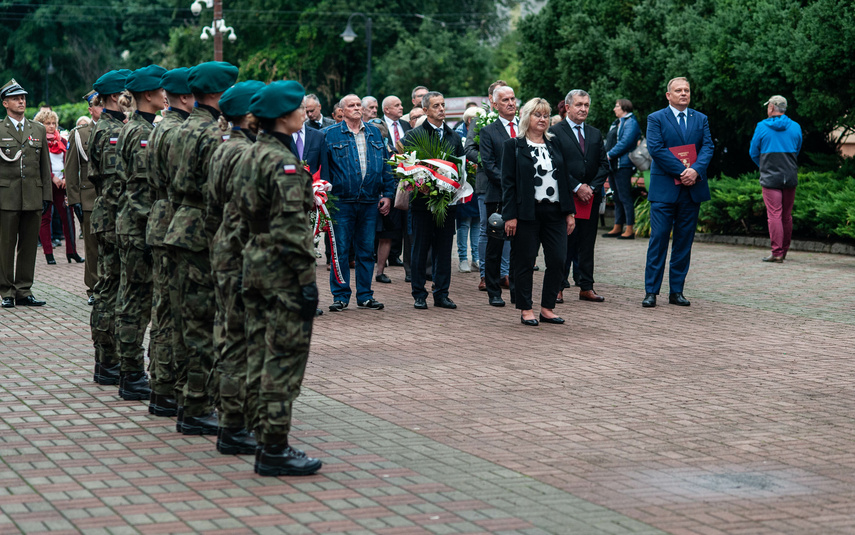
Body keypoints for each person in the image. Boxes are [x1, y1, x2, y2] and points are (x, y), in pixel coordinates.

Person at [237, 80, 323, 476]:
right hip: (281, 271)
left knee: (258, 351)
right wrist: (307, 281)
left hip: (255, 263)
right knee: (282, 359)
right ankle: (274, 447)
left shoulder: (254, 152)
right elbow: (291, 229)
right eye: (298, 108)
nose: (304, 112)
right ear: (284, 116)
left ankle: (259, 435)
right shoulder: (283, 162)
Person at [165, 61, 239, 435]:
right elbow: (215, 192)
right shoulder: (210, 134)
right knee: (201, 321)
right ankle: (196, 406)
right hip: (200, 231)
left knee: (185, 319)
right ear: (217, 94)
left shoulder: (182, 126)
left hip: (182, 225)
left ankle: (186, 398)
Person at [207, 80, 265, 454]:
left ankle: (230, 417)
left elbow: (214, 204)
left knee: (227, 333)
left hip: (225, 244)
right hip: (242, 251)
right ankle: (234, 423)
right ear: (248, 115)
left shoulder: (225, 148)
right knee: (240, 341)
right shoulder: (245, 153)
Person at [112, 64, 166, 401]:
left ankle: (128, 371)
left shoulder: (136, 127)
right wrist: (151, 234)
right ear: (148, 95)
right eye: (161, 90)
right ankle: (131, 373)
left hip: (133, 225)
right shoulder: (142, 133)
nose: (166, 95)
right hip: (138, 228)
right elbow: (141, 192)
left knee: (132, 299)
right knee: (136, 302)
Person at [501, 98, 576, 326]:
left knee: (558, 260)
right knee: (525, 261)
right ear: (527, 117)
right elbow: (508, 184)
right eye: (537, 115)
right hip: (526, 213)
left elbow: (563, 180)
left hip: (555, 212)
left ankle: (547, 307)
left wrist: (569, 212)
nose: (542, 119)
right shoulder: (514, 146)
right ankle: (526, 308)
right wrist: (510, 215)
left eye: (545, 115)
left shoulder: (555, 144)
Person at [146, 67, 194, 418]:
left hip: (162, 218)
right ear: (185, 97)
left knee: (164, 308)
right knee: (172, 311)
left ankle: (160, 386)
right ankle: (167, 386)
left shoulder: (162, 127)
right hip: (176, 220)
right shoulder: (178, 130)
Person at [642, 77, 714, 308]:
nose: (683, 93)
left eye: (687, 90)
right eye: (678, 90)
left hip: (691, 190)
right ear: (668, 95)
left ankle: (677, 291)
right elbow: (656, 148)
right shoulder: (656, 118)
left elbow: (708, 147)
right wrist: (683, 171)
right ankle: (651, 291)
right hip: (665, 190)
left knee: (684, 242)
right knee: (659, 239)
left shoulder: (700, 118)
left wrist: (695, 171)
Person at [321, 94, 394, 311]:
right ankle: (341, 296)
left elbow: (385, 166)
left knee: (365, 251)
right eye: (351, 105)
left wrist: (388, 193)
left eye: (358, 105)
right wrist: (325, 198)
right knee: (340, 250)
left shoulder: (374, 133)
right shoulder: (329, 135)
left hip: (370, 201)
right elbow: (324, 170)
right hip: (342, 201)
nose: (356, 108)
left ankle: (365, 296)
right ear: (341, 111)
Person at [88, 69, 131, 384]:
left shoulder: (109, 127)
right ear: (116, 96)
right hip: (114, 218)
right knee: (109, 290)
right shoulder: (109, 131)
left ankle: (106, 362)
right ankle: (107, 361)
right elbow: (116, 184)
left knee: (109, 288)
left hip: (109, 216)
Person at [403, 91, 465, 310]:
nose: (441, 109)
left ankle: (441, 293)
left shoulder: (454, 137)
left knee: (444, 249)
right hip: (422, 203)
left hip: (447, 204)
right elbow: (406, 167)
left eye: (443, 105)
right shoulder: (413, 135)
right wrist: (423, 186)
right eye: (436, 105)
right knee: (420, 248)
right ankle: (419, 293)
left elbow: (460, 168)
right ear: (426, 110)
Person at [549, 89, 609, 303]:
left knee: (587, 243)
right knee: (564, 243)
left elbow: (604, 164)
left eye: (586, 105)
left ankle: (586, 286)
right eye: (579, 105)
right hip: (566, 197)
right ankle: (557, 287)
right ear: (567, 107)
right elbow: (554, 164)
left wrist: (591, 187)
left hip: (590, 198)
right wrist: (576, 186)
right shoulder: (555, 132)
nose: (583, 109)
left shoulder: (594, 133)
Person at [0, 79, 51, 309]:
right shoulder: (0, 129)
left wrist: (46, 196)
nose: (21, 101)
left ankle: (23, 290)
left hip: (33, 195)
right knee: (5, 246)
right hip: (7, 198)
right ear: (5, 103)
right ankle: (6, 291)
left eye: (23, 97)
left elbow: (44, 166)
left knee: (29, 245)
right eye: (15, 98)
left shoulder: (37, 129)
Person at [466, 83, 516, 306]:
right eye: (505, 100)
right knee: (494, 242)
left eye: (513, 99)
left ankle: (517, 289)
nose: (511, 103)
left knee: (520, 245)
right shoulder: (488, 130)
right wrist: (510, 185)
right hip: (497, 194)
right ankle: (493, 288)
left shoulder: (525, 127)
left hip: (522, 197)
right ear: (494, 104)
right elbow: (488, 163)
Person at [749, 95, 802, 263]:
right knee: (786, 216)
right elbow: (797, 149)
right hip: (790, 175)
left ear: (771, 108)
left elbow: (753, 152)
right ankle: (784, 251)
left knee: (774, 215)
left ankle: (777, 252)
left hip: (770, 176)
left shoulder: (761, 126)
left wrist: (764, 165)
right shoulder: (795, 127)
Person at [34, 109, 83, 265]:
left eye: (53, 123)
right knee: (45, 218)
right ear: (41, 124)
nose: (51, 126)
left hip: (62, 184)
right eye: (47, 123)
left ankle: (72, 251)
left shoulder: (61, 141)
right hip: (46, 185)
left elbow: (69, 162)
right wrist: (52, 178)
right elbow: (37, 165)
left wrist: (65, 178)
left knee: (68, 217)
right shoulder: (36, 141)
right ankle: (48, 253)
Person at [66, 91, 101, 305]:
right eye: (97, 105)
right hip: (89, 197)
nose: (101, 108)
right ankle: (94, 288)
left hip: (113, 196)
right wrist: (74, 200)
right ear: (90, 109)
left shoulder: (120, 129)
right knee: (92, 246)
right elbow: (72, 170)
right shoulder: (80, 134)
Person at [603, 99, 641, 239]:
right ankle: (617, 226)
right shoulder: (617, 123)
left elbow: (626, 142)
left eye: (617, 106)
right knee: (616, 197)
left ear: (624, 108)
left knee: (625, 197)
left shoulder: (631, 122)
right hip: (613, 165)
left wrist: (609, 155)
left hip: (623, 165)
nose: (614, 109)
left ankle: (629, 229)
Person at [290, 99, 324, 175]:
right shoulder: (283, 137)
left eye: (300, 109)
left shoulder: (318, 136)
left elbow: (324, 168)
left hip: (314, 184)